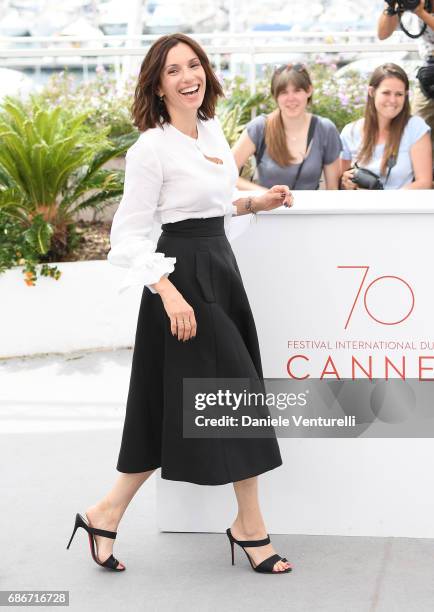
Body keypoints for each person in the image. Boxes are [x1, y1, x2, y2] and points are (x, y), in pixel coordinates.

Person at [66, 33, 295, 575]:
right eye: (174, 70)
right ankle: (251, 528)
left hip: (219, 270)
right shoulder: (150, 148)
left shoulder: (211, 132)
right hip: (181, 282)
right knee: (236, 398)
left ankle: (104, 512)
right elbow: (128, 237)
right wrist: (168, 293)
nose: (188, 76)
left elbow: (209, 207)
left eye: (194, 65)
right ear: (157, 84)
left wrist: (252, 202)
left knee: (164, 409)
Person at [231, 63, 342, 192]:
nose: (291, 99)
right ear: (275, 96)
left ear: (309, 90)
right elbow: (225, 174)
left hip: (310, 211)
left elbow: (333, 189)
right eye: (283, 92)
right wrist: (266, 195)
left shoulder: (325, 129)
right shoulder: (260, 127)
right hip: (267, 210)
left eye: (297, 90)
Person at [340, 63, 432, 190]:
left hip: (401, 208)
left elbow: (424, 182)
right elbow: (338, 183)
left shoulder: (415, 127)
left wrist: (386, 201)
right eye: (386, 93)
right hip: (360, 208)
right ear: (372, 92)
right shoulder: (350, 131)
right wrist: (345, 181)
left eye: (399, 94)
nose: (393, 100)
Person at [377, 0, 434, 160]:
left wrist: (421, 13)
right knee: (416, 130)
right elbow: (382, 34)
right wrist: (391, 6)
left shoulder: (420, 9)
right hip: (429, 75)